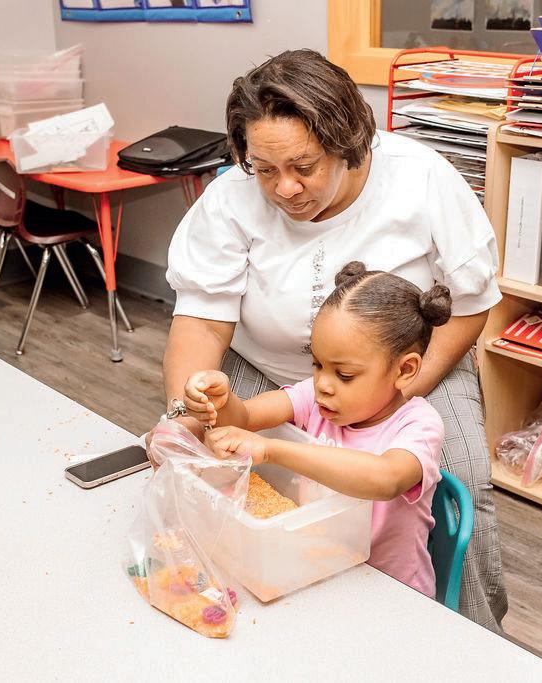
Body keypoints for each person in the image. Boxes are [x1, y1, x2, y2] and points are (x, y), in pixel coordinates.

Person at [162, 48, 507, 629]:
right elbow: (201, 318)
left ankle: (473, 636)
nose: (285, 188)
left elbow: (471, 305)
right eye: (264, 169)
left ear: (348, 142)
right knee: (216, 464)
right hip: (268, 369)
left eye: (304, 166)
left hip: (403, 368)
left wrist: (390, 398)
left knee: (461, 484)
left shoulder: (421, 178)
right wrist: (189, 407)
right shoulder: (230, 198)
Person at [184, 262, 448, 597]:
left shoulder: (418, 425)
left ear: (405, 370)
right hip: (313, 572)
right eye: (318, 364)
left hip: (387, 594)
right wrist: (220, 400)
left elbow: (385, 479)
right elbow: (245, 419)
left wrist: (272, 450)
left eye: (344, 375)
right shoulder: (314, 397)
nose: (323, 383)